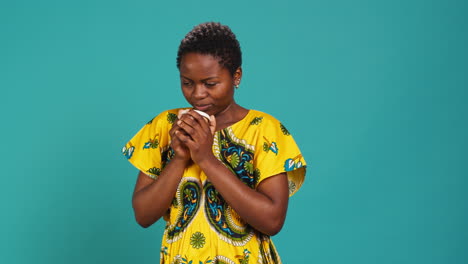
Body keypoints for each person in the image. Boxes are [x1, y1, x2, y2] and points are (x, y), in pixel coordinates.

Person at [122, 22, 306, 264]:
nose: (197, 94)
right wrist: (178, 159)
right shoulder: (165, 126)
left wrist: (206, 159)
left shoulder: (264, 131)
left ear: (236, 76)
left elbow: (272, 221)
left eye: (210, 84)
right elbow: (143, 215)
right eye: (187, 82)